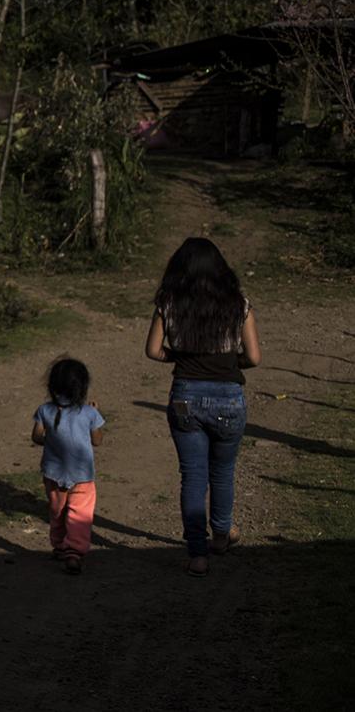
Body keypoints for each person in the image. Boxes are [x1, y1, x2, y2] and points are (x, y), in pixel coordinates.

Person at [146, 237, 261, 577]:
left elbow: (153, 351)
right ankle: (222, 535)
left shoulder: (168, 302)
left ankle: (197, 554)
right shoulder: (239, 304)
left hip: (185, 397)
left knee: (193, 476)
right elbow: (254, 357)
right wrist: (230, 362)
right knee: (222, 472)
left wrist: (178, 356)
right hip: (228, 397)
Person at [33, 357, 105, 575]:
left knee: (57, 511)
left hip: (53, 475)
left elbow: (37, 437)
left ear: (52, 386)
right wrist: (95, 414)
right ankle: (74, 551)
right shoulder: (89, 413)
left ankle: (58, 545)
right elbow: (97, 440)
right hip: (82, 476)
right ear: (82, 388)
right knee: (80, 514)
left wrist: (53, 440)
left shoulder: (44, 410)